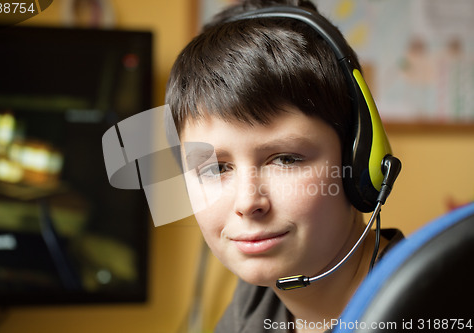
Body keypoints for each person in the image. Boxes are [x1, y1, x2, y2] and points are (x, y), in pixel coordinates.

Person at [164, 1, 403, 332]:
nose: (248, 203)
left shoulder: (434, 300)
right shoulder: (254, 303)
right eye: (216, 168)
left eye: (286, 159)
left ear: (359, 162)